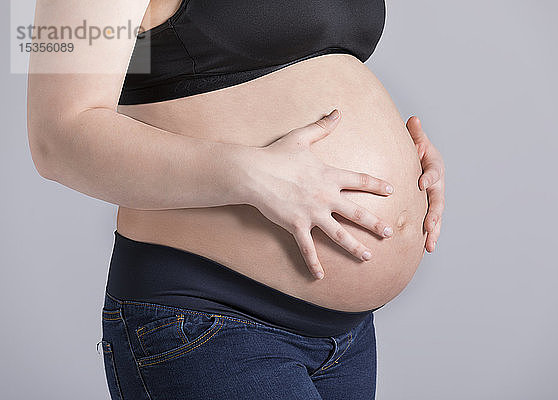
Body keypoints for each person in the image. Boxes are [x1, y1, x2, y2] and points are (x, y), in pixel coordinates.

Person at [27, 1, 446, 399]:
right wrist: (253, 174)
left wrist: (403, 155)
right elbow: (56, 139)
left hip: (347, 335)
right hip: (207, 319)